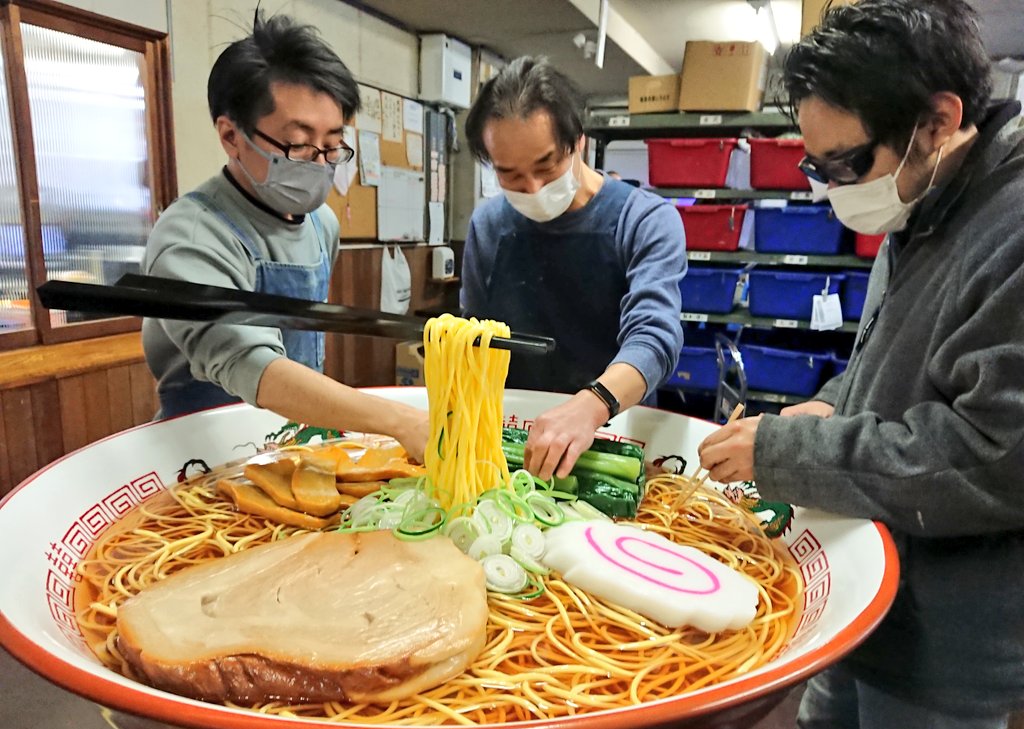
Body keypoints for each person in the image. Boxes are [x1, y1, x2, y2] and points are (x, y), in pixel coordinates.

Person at [696, 1, 1024, 729]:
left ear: (938, 120)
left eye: (845, 166)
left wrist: (791, 450)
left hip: (946, 636)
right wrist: (829, 403)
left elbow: (995, 454)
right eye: (815, 166)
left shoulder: (1010, 231)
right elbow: (894, 366)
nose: (825, 191)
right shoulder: (924, 200)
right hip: (870, 582)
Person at [141, 12, 428, 460]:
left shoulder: (321, 224)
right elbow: (250, 363)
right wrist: (398, 420)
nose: (319, 164)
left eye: (332, 145)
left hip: (295, 447)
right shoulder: (192, 236)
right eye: (298, 144)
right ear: (231, 135)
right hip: (204, 459)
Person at [462, 56, 686, 480]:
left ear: (578, 142)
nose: (533, 189)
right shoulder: (489, 225)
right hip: (510, 442)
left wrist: (591, 404)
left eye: (547, 166)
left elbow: (655, 336)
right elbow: (475, 339)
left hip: (613, 442)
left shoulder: (644, 220)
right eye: (510, 175)